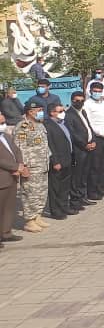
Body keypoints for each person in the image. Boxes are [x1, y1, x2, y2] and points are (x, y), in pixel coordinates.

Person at [16, 101, 50, 233]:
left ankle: (37, 216)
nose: (41, 112)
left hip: (42, 164)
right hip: (31, 166)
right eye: (39, 110)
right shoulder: (23, 126)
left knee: (41, 192)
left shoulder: (39, 124)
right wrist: (23, 166)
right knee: (30, 193)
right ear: (30, 112)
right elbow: (20, 147)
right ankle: (29, 221)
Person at [64, 91, 95, 212]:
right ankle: (75, 200)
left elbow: (88, 127)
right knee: (77, 176)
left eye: (82, 101)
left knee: (84, 174)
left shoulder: (83, 112)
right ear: (72, 101)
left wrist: (93, 140)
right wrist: (84, 144)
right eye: (77, 101)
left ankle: (83, 196)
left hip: (89, 147)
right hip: (79, 150)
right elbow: (73, 133)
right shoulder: (69, 114)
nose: (80, 103)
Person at [43, 103, 74, 219]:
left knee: (65, 186)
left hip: (67, 159)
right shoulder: (48, 126)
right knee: (55, 187)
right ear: (52, 113)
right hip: (57, 161)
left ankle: (64, 206)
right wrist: (55, 161)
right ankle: (56, 210)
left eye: (63, 110)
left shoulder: (63, 123)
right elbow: (50, 145)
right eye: (60, 111)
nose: (63, 113)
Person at [0, 113, 25, 247]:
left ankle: (6, 233)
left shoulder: (5, 136)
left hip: (12, 176)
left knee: (9, 207)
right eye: (0, 123)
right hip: (3, 176)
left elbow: (17, 151)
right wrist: (15, 167)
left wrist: (20, 165)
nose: (3, 125)